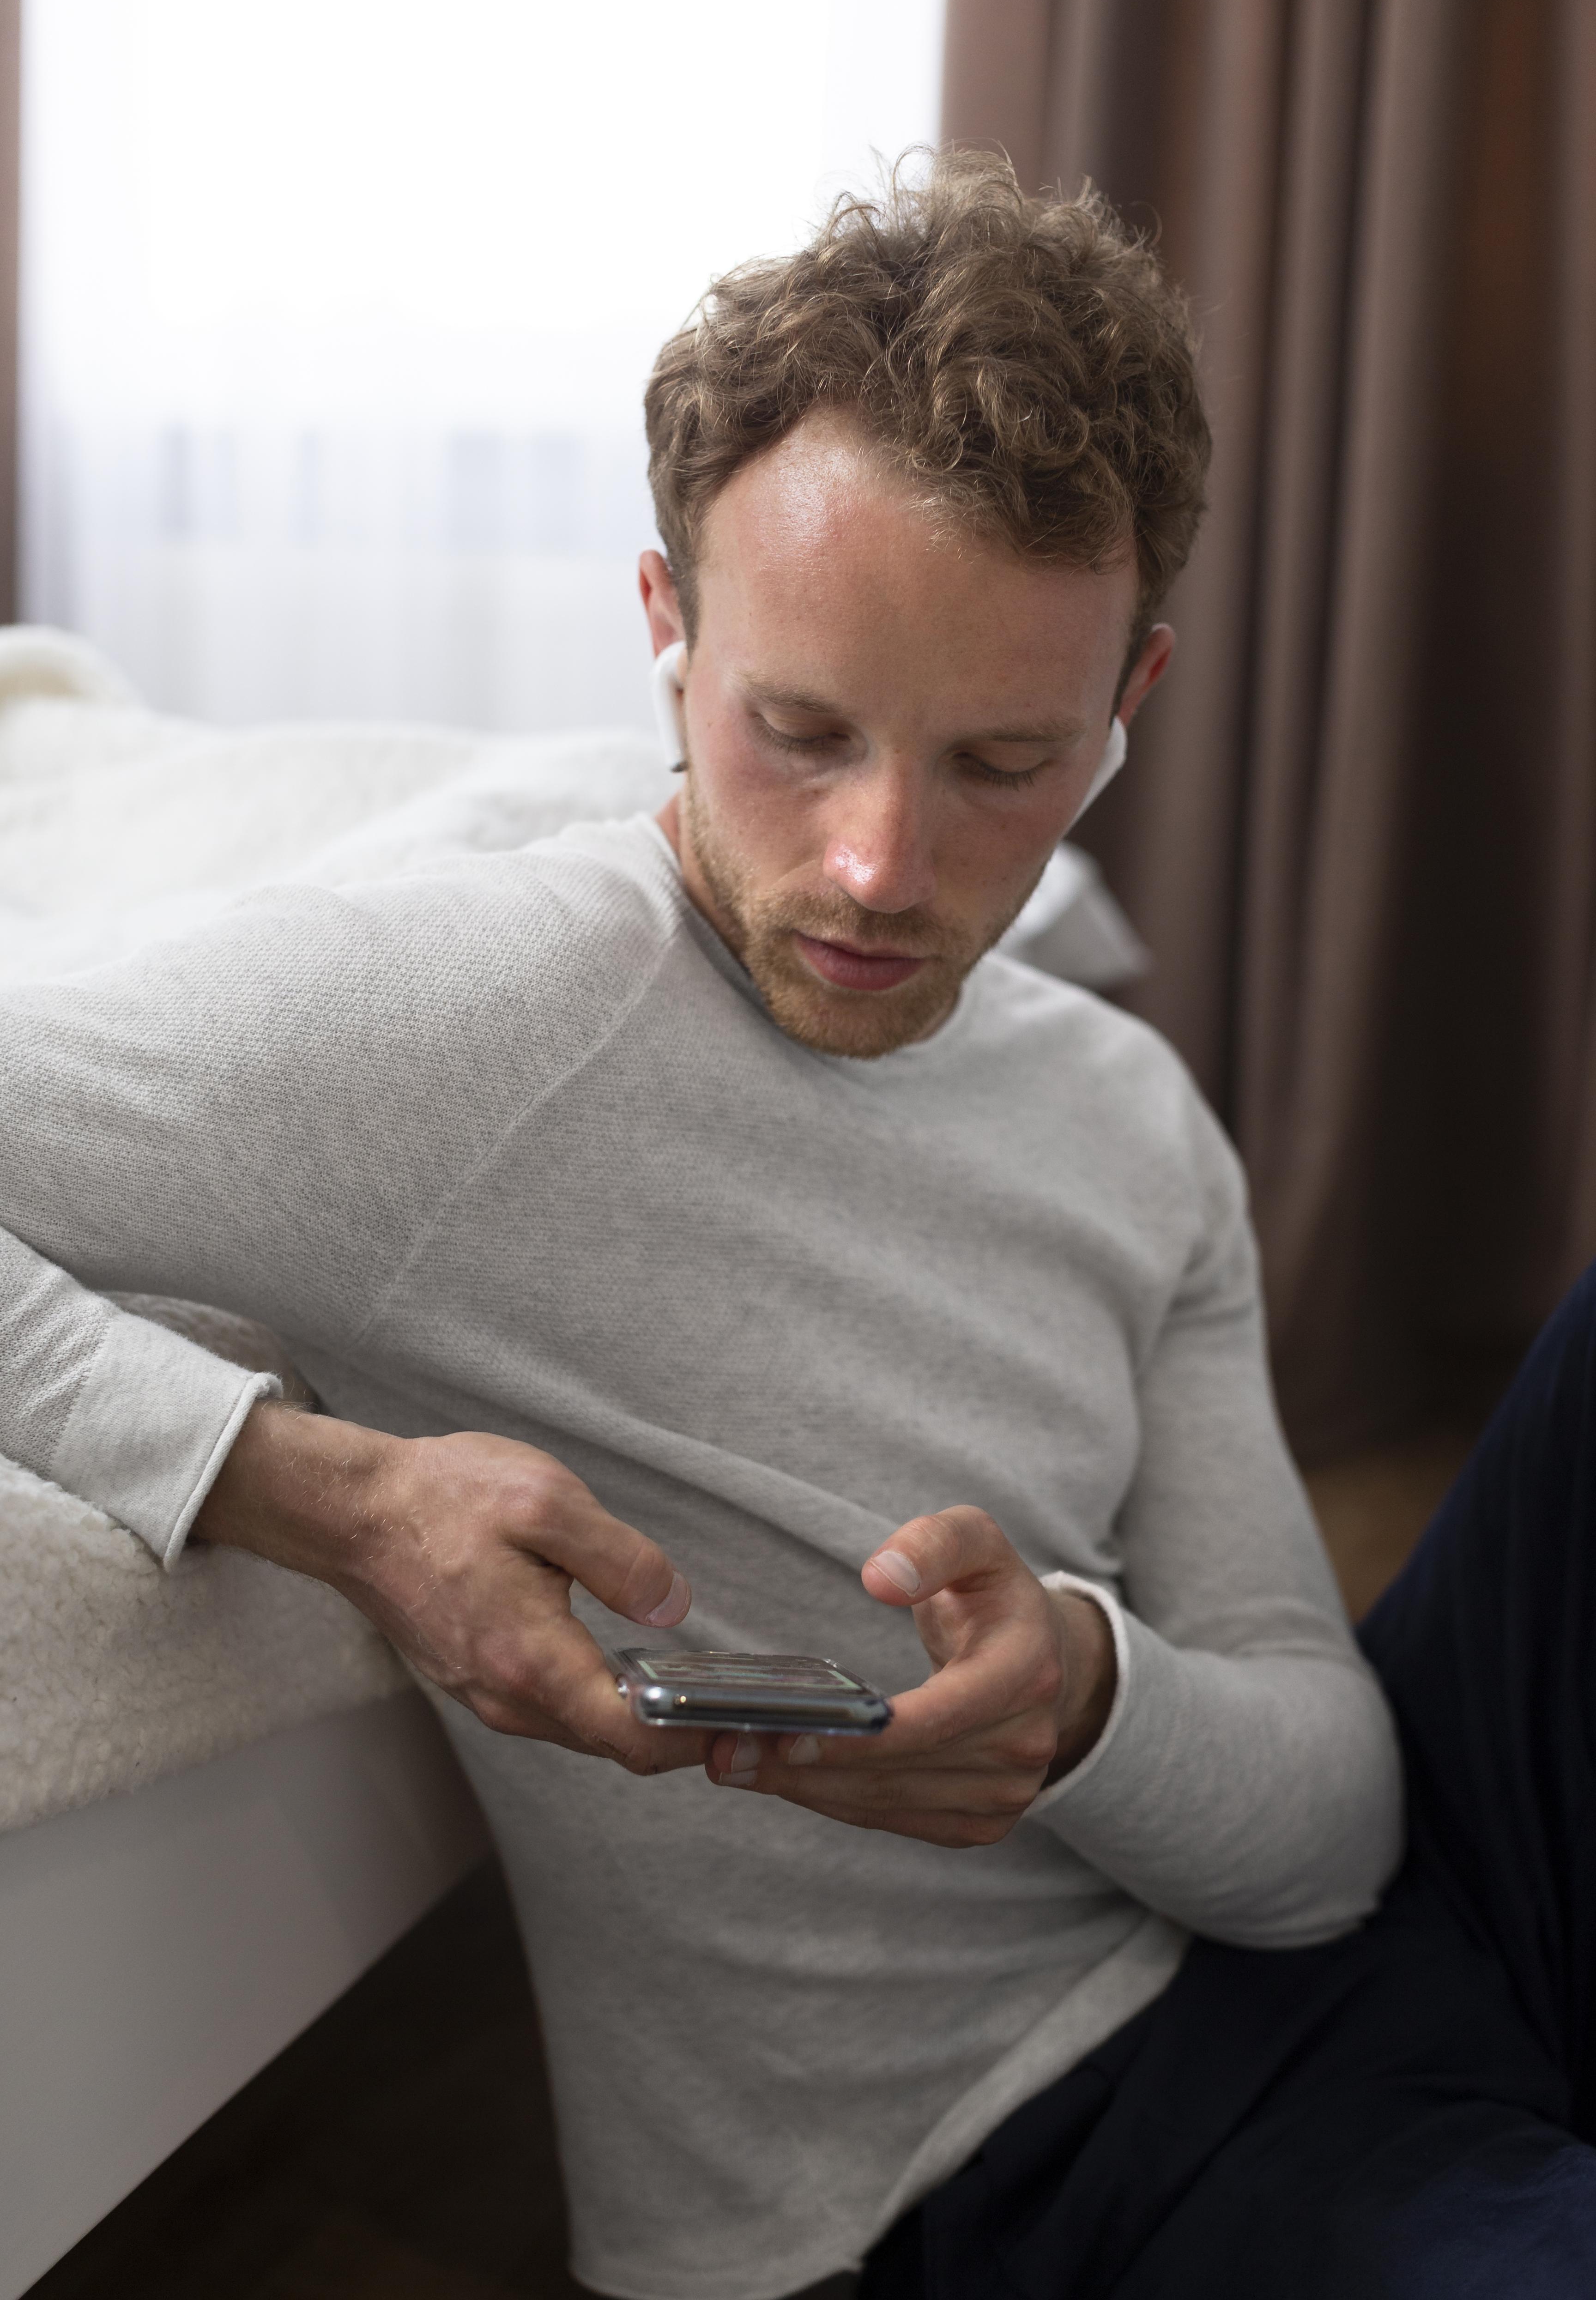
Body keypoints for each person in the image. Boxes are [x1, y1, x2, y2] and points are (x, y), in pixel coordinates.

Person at [1, 152, 1589, 2299]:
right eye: (800, 732)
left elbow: (1327, 1843)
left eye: (1004, 763)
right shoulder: (469, 1020)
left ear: (1129, 704)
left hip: (1386, 1942)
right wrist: (321, 1492)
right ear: (667, 633)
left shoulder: (1131, 1115)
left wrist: (1092, 1698)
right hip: (1019, 2171)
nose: (875, 866)